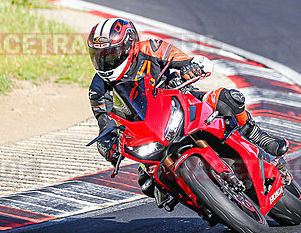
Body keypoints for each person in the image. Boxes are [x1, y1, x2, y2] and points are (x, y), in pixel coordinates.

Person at [86, 17, 289, 197]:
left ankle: (255, 135)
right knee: (149, 184)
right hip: (147, 132)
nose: (104, 61)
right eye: (99, 55)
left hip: (180, 101)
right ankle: (200, 201)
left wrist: (193, 67)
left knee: (227, 98)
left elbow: (184, 60)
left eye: (111, 54)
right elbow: (103, 121)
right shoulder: (98, 87)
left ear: (129, 46)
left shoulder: (151, 48)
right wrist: (108, 143)